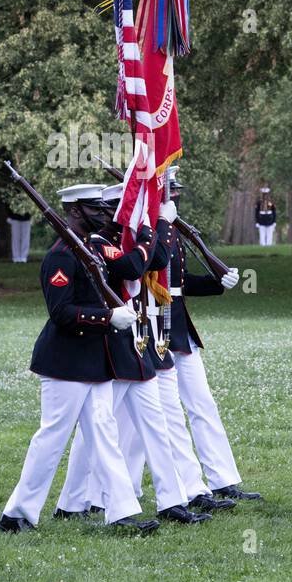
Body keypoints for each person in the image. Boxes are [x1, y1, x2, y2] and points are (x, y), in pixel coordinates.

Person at [0, 183, 159, 535]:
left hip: (94, 363)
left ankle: (121, 512)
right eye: (95, 208)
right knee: (52, 438)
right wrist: (106, 318)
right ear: (74, 212)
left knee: (104, 436)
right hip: (66, 364)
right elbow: (61, 311)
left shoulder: (93, 250)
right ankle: (17, 513)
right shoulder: (62, 255)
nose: (104, 214)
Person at [54, 185, 212, 526]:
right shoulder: (98, 244)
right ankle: (72, 501)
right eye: (108, 208)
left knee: (155, 425)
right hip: (111, 344)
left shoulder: (124, 237)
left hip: (138, 341)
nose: (110, 213)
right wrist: (150, 228)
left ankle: (173, 501)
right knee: (95, 429)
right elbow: (131, 266)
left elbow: (157, 260)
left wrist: (156, 225)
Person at [163, 170, 262, 501]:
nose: (174, 195)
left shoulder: (171, 228)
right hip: (154, 328)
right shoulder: (150, 229)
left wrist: (218, 283)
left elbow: (180, 282)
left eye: (175, 190)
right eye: (168, 190)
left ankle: (223, 480)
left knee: (202, 404)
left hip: (180, 328)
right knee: (148, 419)